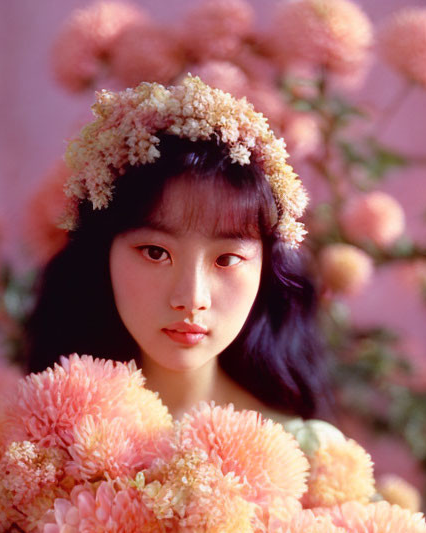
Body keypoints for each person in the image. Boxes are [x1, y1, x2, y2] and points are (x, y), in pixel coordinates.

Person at [27, 76, 326, 433]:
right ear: (103, 253)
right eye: (155, 253)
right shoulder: (36, 444)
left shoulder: (309, 459)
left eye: (227, 259)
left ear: (265, 268)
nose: (191, 298)